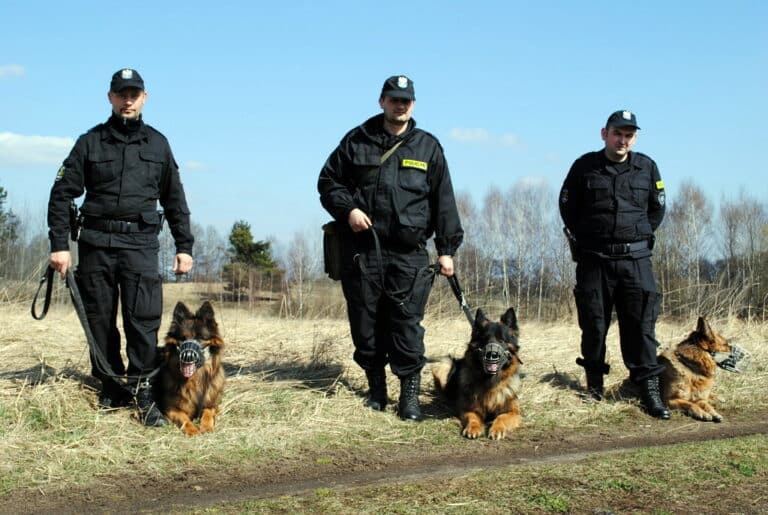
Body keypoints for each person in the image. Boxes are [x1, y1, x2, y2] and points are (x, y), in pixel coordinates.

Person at [47, 68, 194, 426]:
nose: (127, 100)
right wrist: (59, 245)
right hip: (96, 244)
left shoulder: (158, 145)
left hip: (140, 245)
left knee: (142, 321)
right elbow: (61, 194)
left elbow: (175, 200)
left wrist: (184, 246)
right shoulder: (89, 142)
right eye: (121, 94)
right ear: (110, 98)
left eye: (134, 94)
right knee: (99, 320)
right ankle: (112, 388)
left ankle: (144, 391)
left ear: (145, 97)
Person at [318, 75, 464, 421]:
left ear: (412, 104)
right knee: (366, 326)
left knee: (406, 326)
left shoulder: (428, 147)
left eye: (407, 100)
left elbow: (444, 201)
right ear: (382, 101)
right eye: (394, 99)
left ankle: (409, 397)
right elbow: (328, 182)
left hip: (408, 253)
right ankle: (376, 390)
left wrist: (446, 249)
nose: (401, 105)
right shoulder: (357, 140)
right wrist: (349, 210)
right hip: (363, 252)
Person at [559, 110, 669, 419]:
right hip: (595, 261)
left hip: (635, 261)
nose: (622, 140)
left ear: (634, 138)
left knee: (642, 326)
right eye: (617, 133)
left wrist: (636, 236)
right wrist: (589, 237)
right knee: (593, 325)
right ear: (604, 133)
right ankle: (594, 387)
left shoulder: (646, 167)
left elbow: (656, 211)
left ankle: (648, 391)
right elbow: (567, 206)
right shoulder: (584, 167)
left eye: (628, 135)